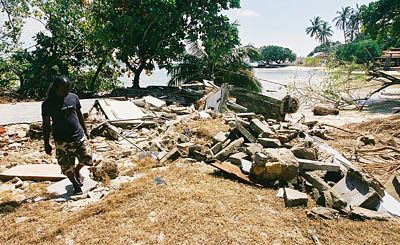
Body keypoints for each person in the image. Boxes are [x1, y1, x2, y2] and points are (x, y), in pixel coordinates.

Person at [42, 75, 93, 195]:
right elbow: (46, 125)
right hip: (62, 140)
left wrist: (85, 130)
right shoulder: (48, 104)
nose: (66, 92)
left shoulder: (73, 97)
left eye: (68, 89)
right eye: (63, 90)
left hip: (78, 136)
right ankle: (75, 185)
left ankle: (77, 171)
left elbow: (79, 115)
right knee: (66, 165)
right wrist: (46, 143)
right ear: (55, 88)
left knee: (87, 158)